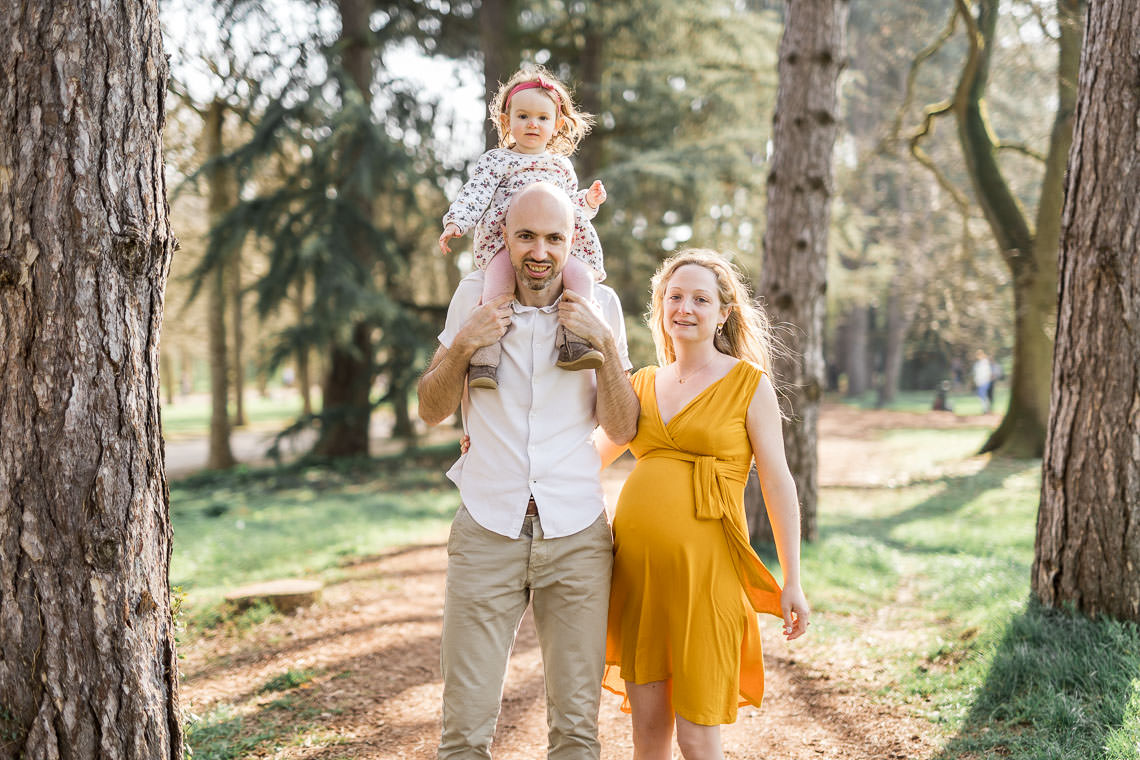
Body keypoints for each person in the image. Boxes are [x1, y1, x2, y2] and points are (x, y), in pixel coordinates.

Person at [418, 182, 640, 760]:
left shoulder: (602, 305)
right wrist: (465, 342)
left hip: (578, 537)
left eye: (553, 237)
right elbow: (430, 408)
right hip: (487, 530)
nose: (539, 251)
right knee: (463, 734)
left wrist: (608, 350)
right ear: (505, 239)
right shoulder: (474, 295)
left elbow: (621, 428)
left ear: (574, 241)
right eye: (525, 236)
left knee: (575, 733)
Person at [595, 249, 810, 760]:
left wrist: (793, 580)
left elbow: (778, 484)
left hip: (707, 579)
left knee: (696, 737)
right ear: (660, 308)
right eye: (674, 297)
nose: (684, 308)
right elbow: (589, 454)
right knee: (648, 734)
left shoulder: (748, 383)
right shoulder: (641, 384)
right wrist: (507, 450)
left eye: (700, 298)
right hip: (640, 579)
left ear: (723, 313)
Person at [439, 64, 608, 391]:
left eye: (543, 118)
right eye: (524, 116)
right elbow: (475, 193)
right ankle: (485, 359)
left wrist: (589, 201)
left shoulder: (560, 166)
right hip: (508, 242)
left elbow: (570, 209)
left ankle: (573, 341)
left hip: (555, 242)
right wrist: (457, 222)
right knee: (497, 288)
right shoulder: (496, 160)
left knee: (580, 277)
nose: (533, 124)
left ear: (556, 124)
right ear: (507, 121)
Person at [972, 349, 993, 414]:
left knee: (983, 395)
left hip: (985, 381)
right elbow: (976, 373)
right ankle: (985, 408)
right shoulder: (977, 364)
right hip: (980, 382)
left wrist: (987, 379)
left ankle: (986, 409)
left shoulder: (985, 363)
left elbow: (988, 372)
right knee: (981, 396)